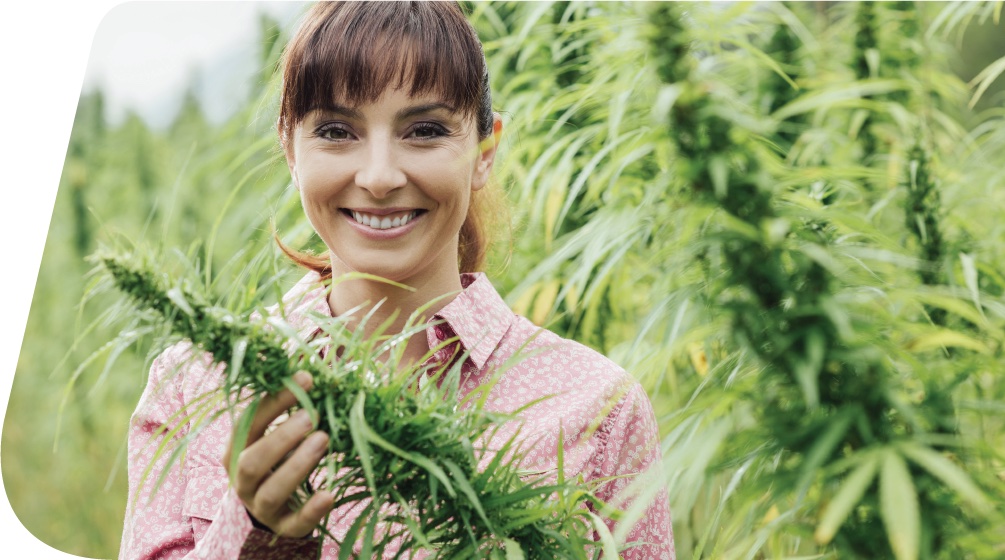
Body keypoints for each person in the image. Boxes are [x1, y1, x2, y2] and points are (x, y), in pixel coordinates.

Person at [119, 2, 675, 559]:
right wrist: (259, 540)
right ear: (290, 148)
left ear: (485, 151)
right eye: (337, 131)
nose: (380, 177)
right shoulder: (194, 388)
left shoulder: (597, 407)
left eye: (425, 130)